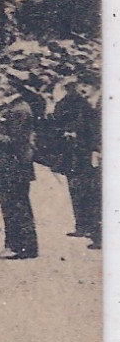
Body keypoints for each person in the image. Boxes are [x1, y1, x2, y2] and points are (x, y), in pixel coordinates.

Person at [0, 89, 38, 259]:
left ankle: (20, 247)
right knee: (13, 205)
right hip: (10, 166)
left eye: (5, 82)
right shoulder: (14, 108)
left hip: (13, 166)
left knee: (15, 206)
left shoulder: (19, 110)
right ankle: (18, 245)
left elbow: (15, 141)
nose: (0, 87)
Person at [46, 76, 101, 250]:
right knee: (77, 188)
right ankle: (83, 225)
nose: (78, 89)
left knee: (86, 190)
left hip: (83, 153)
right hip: (74, 153)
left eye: (78, 86)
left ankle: (89, 227)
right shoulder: (73, 102)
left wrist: (75, 134)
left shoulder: (84, 104)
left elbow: (91, 128)